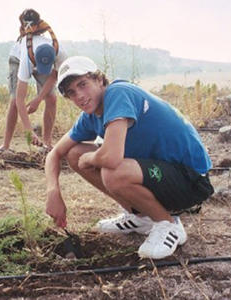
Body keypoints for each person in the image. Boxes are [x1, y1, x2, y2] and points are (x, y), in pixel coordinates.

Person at [45, 56, 214, 259]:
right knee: (74, 153)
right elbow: (55, 153)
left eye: (83, 84)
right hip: (161, 174)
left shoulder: (118, 93)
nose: (79, 96)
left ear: (99, 79)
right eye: (72, 92)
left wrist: (89, 160)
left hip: (191, 180)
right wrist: (53, 191)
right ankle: (141, 217)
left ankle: (168, 225)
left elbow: (112, 158)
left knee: (112, 171)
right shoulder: (90, 116)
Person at [0, 9, 67, 153]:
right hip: (17, 58)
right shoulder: (26, 59)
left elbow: (54, 76)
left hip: (39, 57)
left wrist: (38, 99)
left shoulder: (60, 52)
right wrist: (29, 131)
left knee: (51, 98)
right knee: (14, 102)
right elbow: (21, 99)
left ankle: (47, 145)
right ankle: (5, 146)